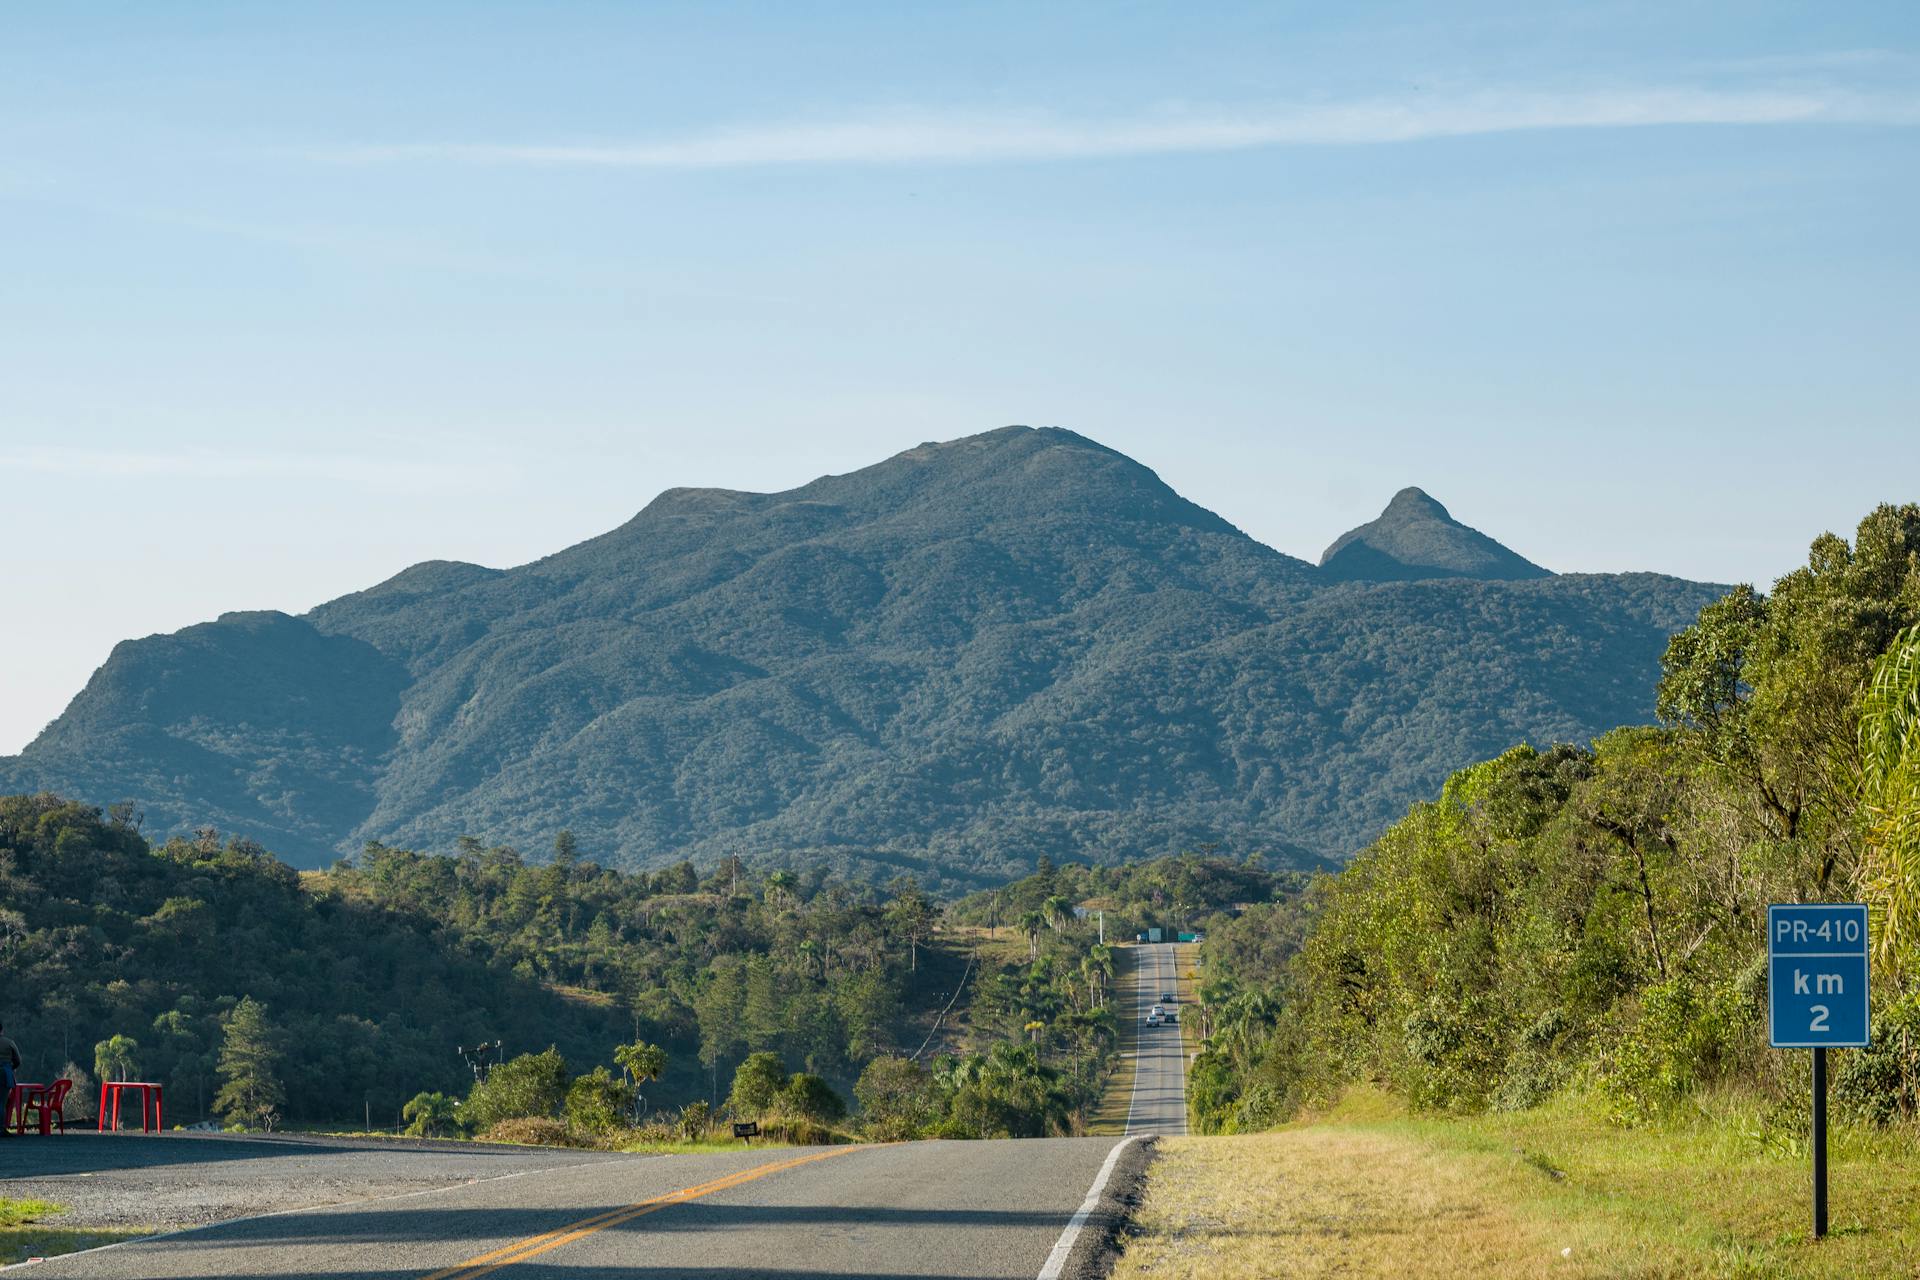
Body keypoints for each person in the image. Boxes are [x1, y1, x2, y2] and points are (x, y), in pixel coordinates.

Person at [0, 1019, 19, 1137]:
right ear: (2, 1030)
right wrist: (11, 1068)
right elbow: (18, 1060)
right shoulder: (9, 1042)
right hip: (4, 1073)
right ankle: (1, 1128)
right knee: (1, 1103)